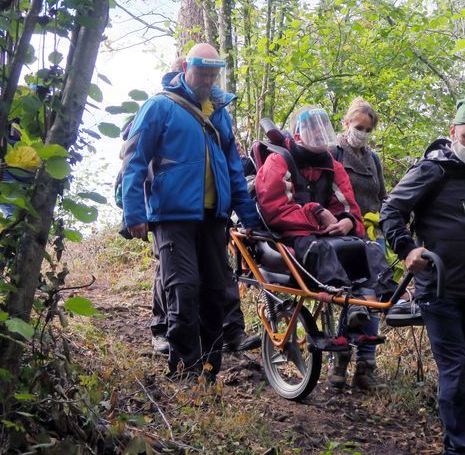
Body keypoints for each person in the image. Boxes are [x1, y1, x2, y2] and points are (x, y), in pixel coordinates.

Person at [122, 43, 260, 383]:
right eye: (202, 73)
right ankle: (184, 371)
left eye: (213, 74)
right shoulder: (159, 106)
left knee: (216, 293)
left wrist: (252, 218)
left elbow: (232, 172)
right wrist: (134, 213)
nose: (207, 79)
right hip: (172, 216)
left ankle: (209, 371)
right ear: (186, 68)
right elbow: (134, 161)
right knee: (183, 289)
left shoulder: (219, 113)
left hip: (214, 218)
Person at [380, 99, 465, 455]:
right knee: (454, 370)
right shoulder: (431, 170)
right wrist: (407, 249)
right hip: (439, 290)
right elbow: (391, 211)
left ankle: (458, 441)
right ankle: (463, 449)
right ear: (453, 132)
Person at [254, 106, 395, 390]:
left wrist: (346, 221)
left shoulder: (332, 164)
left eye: (322, 131)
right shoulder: (279, 161)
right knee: (325, 251)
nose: (319, 136)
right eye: (313, 131)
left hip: (328, 233)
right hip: (295, 235)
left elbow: (347, 206)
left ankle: (382, 298)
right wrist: (316, 214)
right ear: (299, 133)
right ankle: (345, 299)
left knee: (367, 248)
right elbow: (275, 209)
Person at [334, 97, 421, 325]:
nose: (362, 133)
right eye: (358, 127)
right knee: (354, 295)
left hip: (373, 234)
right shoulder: (334, 152)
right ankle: (342, 353)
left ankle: (366, 357)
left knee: (376, 289)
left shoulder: (372, 159)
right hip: (345, 234)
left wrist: (399, 222)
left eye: (368, 129)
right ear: (346, 123)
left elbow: (383, 197)